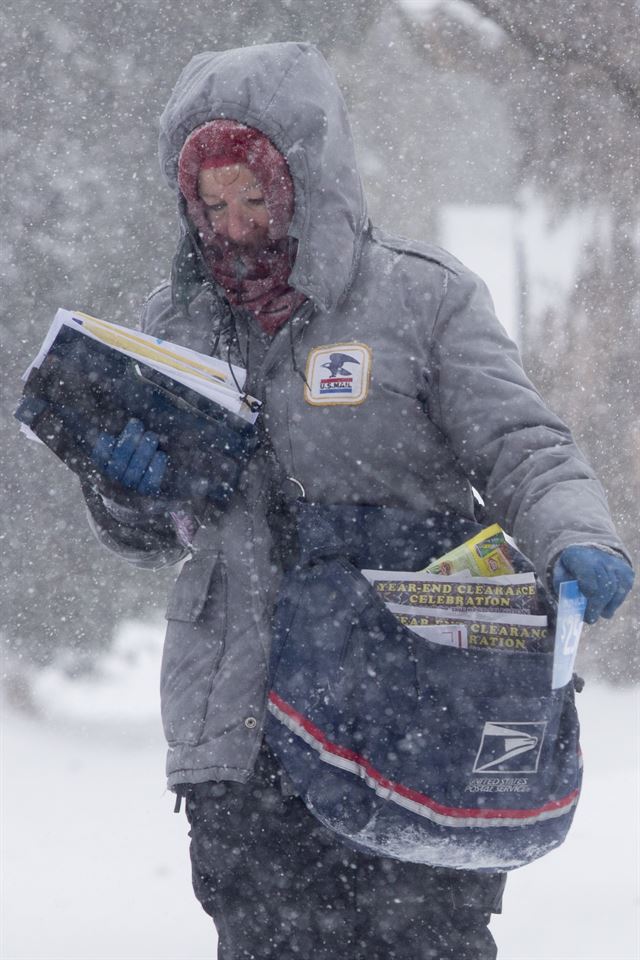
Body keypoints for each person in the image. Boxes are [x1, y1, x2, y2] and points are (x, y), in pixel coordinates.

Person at [81, 43, 634, 960]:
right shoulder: (174, 330)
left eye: (254, 198)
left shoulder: (423, 299)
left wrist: (577, 535)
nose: (237, 227)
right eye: (211, 207)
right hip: (245, 731)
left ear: (307, 177)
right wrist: (124, 488)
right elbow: (148, 531)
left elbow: (524, 447)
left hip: (409, 703)